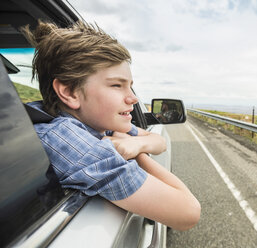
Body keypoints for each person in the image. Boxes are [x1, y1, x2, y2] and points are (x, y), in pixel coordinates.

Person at [22, 21, 200, 230]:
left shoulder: (96, 124)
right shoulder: (68, 141)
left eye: (130, 87)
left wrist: (135, 145)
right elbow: (189, 211)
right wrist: (136, 153)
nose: (133, 98)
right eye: (117, 85)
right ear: (69, 93)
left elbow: (159, 141)